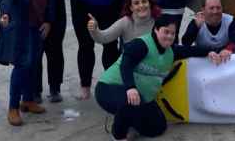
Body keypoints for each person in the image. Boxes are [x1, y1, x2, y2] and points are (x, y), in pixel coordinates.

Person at [94, 16, 224, 140]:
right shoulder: (141, 44)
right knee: (130, 102)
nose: (169, 36)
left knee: (158, 127)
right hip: (109, 88)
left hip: (141, 97)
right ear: (156, 30)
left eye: (172, 34)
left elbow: (190, 50)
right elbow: (125, 65)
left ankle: (128, 122)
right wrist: (131, 87)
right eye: (165, 32)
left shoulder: (171, 51)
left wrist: (209, 52)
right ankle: (118, 134)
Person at [88, 0, 160, 47]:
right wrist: (94, 29)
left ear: (150, 4)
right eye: (136, 3)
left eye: (144, 1)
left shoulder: (160, 21)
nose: (141, 5)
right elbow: (103, 38)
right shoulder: (125, 22)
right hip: (130, 63)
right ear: (131, 8)